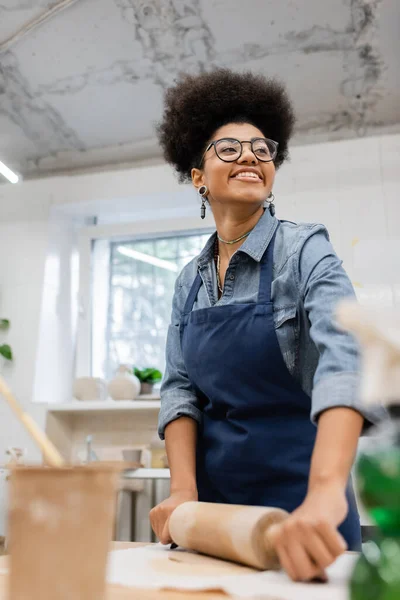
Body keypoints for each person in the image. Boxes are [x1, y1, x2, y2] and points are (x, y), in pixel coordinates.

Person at [149, 69, 385, 582]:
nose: (251, 156)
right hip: (217, 520)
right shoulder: (188, 281)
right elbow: (180, 390)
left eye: (261, 148)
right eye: (228, 149)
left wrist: (325, 494)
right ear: (197, 177)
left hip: (303, 512)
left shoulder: (304, 251)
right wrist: (184, 494)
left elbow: (349, 359)